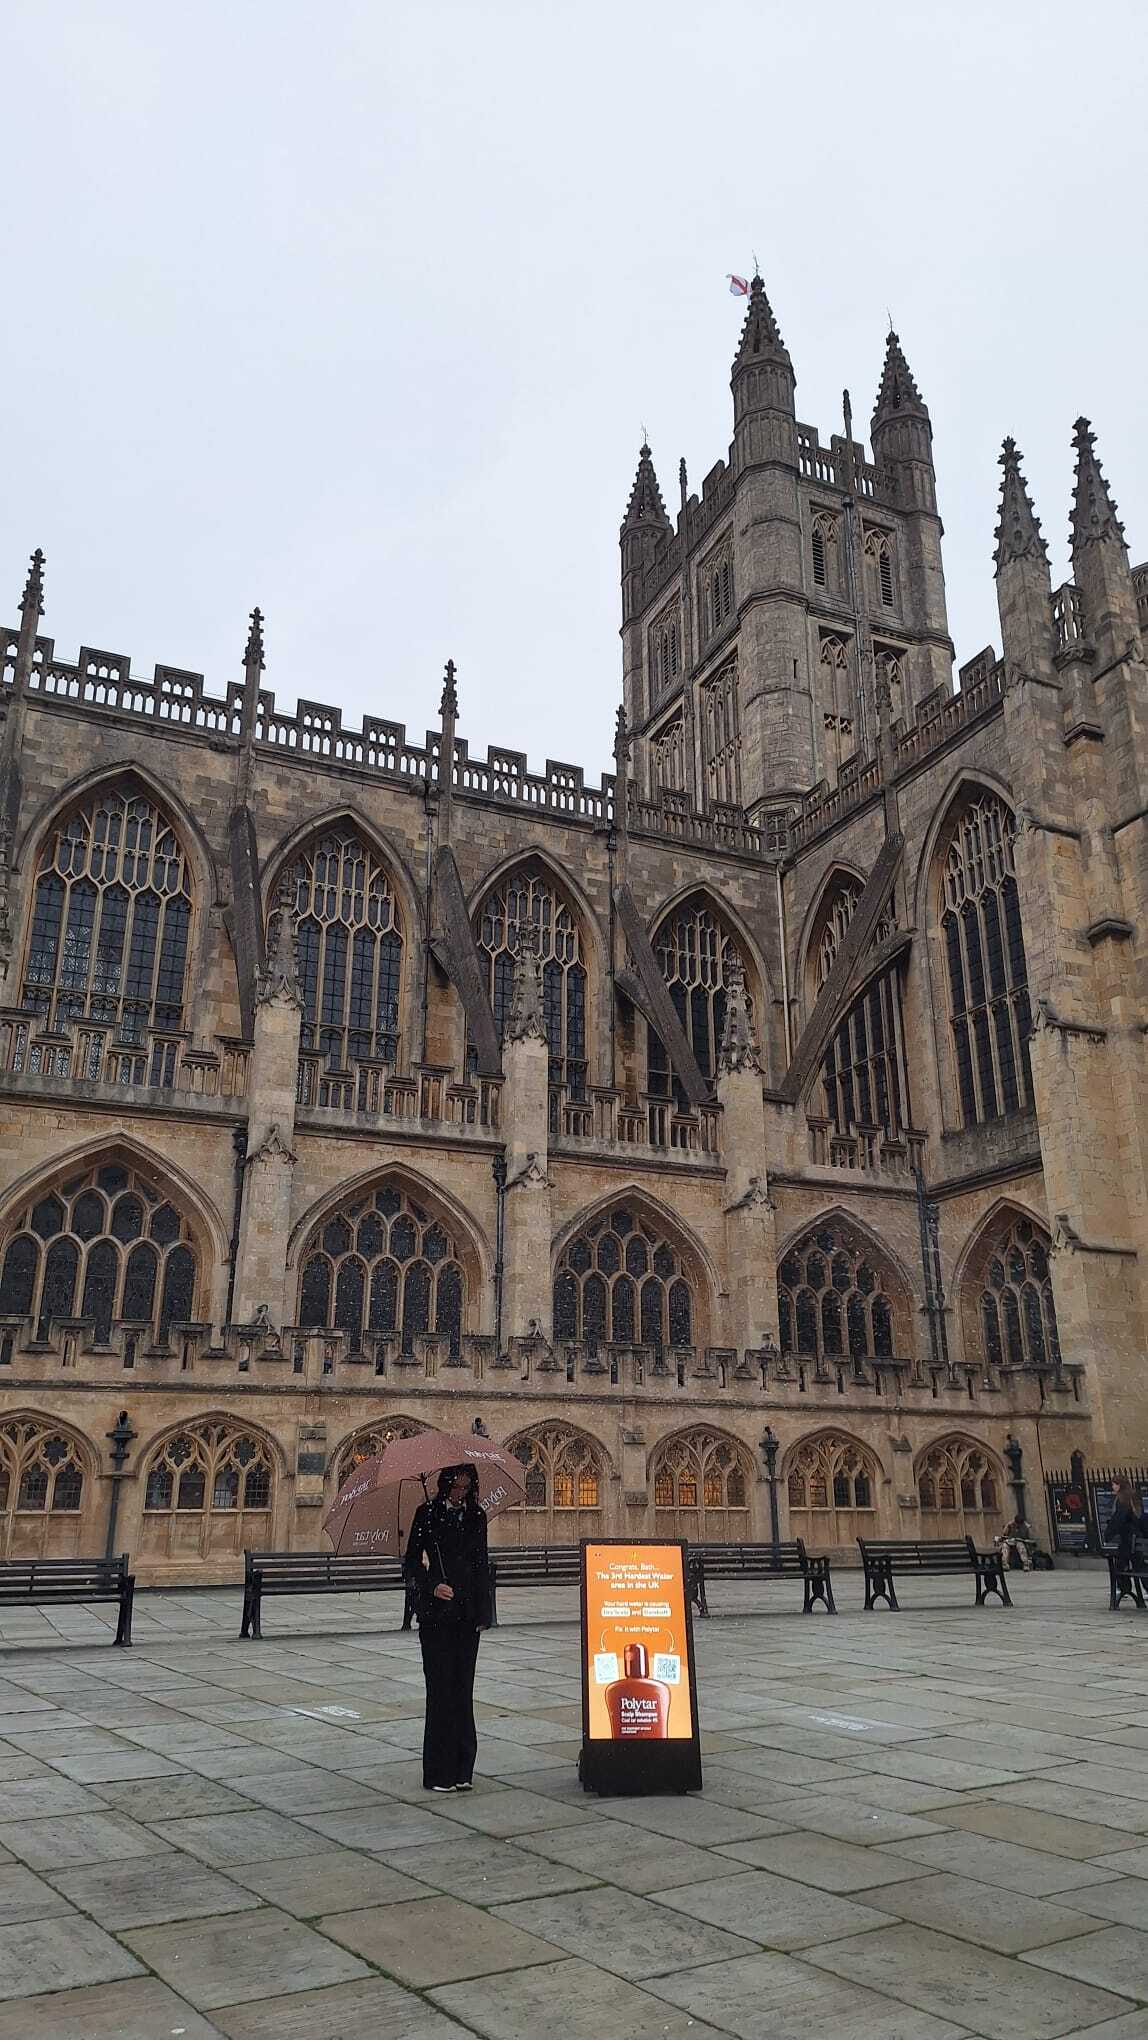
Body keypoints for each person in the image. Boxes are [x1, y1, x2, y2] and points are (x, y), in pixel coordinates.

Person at [403, 1464, 492, 1793]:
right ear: (445, 1484)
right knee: (440, 1691)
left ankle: (462, 1769)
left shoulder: (476, 1516)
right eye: (456, 1486)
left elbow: (482, 1564)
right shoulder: (425, 1513)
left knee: (462, 1690)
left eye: (466, 1487)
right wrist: (432, 1584)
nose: (461, 1492)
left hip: (467, 1613)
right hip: (437, 1615)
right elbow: (410, 1563)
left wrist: (485, 1613)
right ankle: (439, 1771)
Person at [1109, 1479, 1148, 1574]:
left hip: (1127, 1539)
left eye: (1114, 1484)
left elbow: (1119, 1519)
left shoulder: (1121, 1500)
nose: (1113, 1487)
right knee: (1139, 1565)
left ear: (1120, 1485)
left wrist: (1109, 1534)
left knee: (1121, 1564)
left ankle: (1124, 1587)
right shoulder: (1134, 1496)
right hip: (1138, 1538)